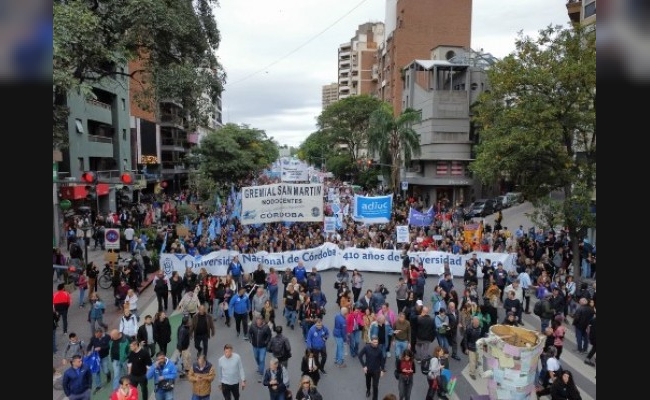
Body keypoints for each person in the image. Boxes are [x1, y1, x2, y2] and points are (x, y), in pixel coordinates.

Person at [358, 335, 386, 400]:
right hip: (368, 369)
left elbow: (382, 360)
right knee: (368, 382)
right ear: (371, 342)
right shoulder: (366, 347)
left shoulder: (379, 349)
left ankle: (375, 398)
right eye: (374, 342)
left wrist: (382, 370)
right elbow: (360, 356)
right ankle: (368, 390)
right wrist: (364, 366)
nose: (376, 344)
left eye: (377, 342)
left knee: (375, 386)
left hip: (376, 370)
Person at [87, 327, 111, 393]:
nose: (96, 336)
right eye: (95, 334)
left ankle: (108, 374)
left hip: (104, 356)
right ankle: (98, 386)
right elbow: (90, 345)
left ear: (101, 333)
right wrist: (88, 351)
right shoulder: (93, 338)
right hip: (96, 357)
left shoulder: (107, 337)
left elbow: (109, 346)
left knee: (105, 370)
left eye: (97, 335)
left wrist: (101, 348)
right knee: (96, 371)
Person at [249, 314, 273, 380]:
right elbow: (249, 333)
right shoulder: (253, 326)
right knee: (256, 357)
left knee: (262, 359)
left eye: (259, 320)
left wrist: (266, 342)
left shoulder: (266, 327)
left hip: (263, 347)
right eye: (257, 320)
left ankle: (261, 372)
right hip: (255, 346)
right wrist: (250, 338)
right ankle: (259, 366)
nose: (258, 321)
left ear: (262, 320)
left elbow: (269, 335)